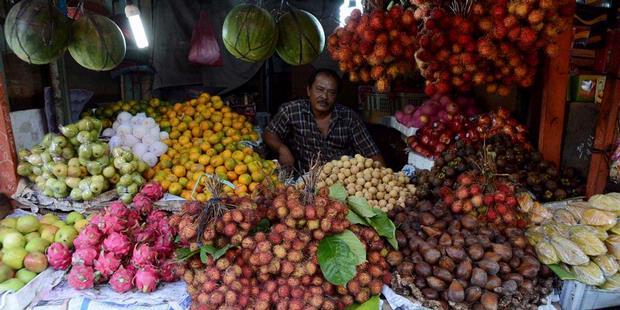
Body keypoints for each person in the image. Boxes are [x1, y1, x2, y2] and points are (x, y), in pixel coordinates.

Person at [263, 68, 384, 173]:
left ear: (336, 96)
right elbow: (269, 133)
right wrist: (282, 149)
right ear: (308, 90)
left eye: (331, 92)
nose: (325, 97)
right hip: (305, 180)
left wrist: (383, 178)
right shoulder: (292, 110)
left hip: (343, 180)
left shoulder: (349, 118)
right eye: (320, 89)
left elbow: (372, 154)